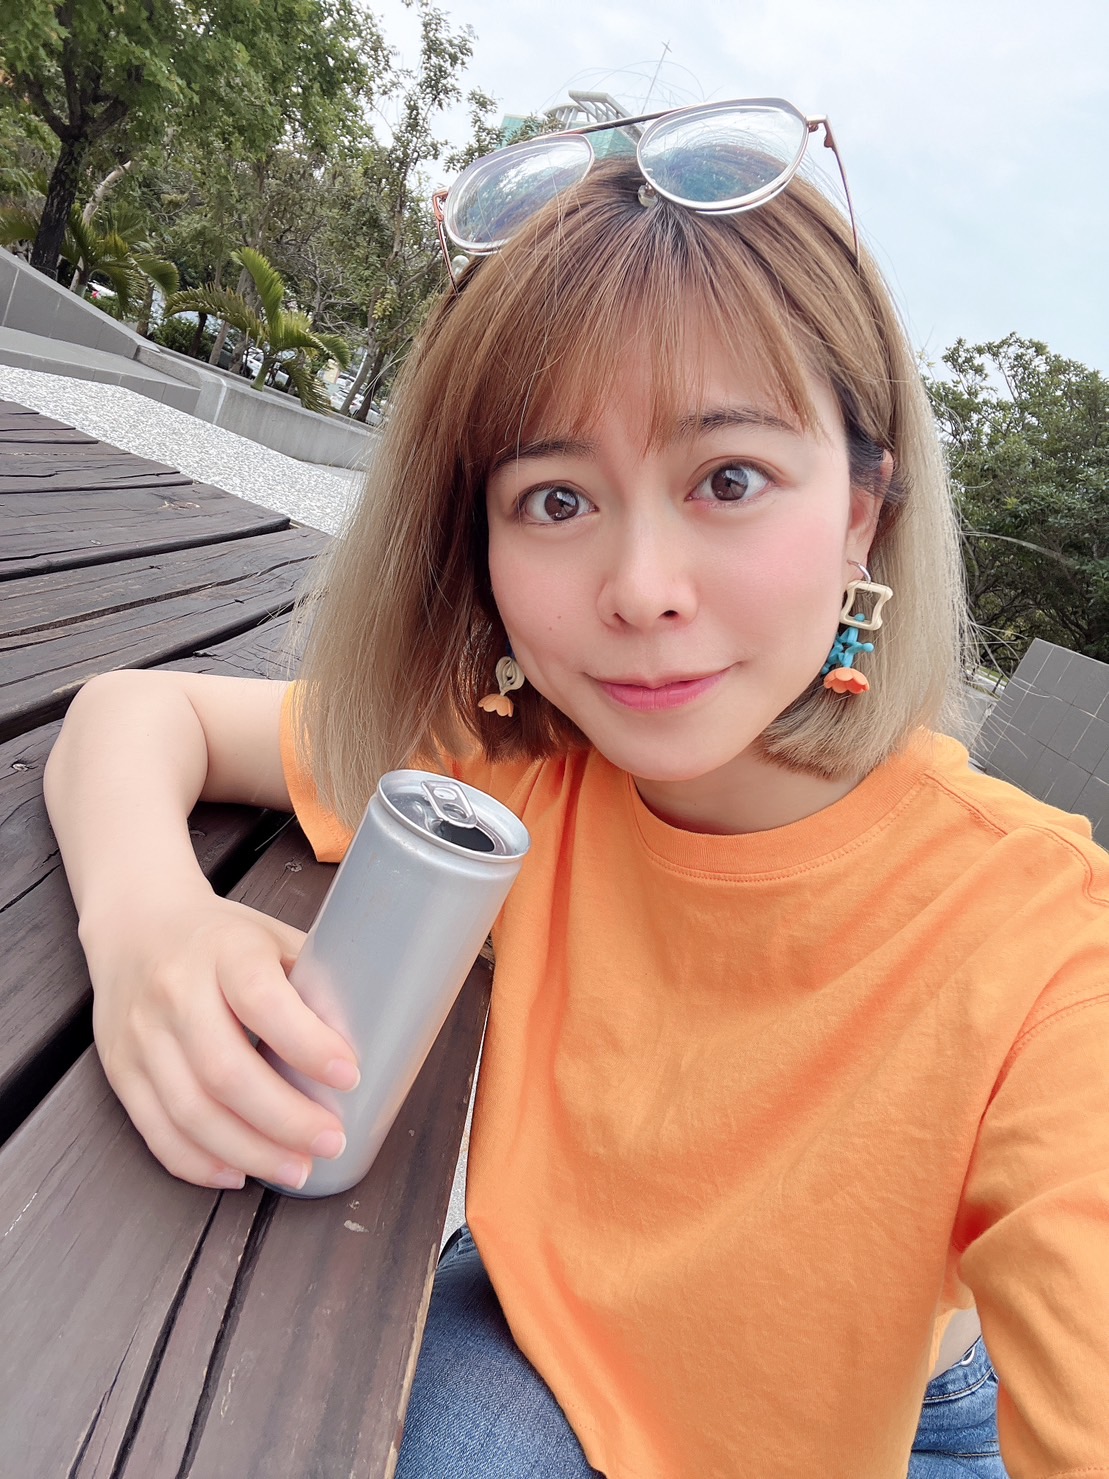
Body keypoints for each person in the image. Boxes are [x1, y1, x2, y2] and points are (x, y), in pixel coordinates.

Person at [43, 100, 1109, 1479]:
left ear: (860, 512)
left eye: (729, 477)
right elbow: (136, 716)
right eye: (555, 499)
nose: (640, 590)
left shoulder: (1046, 946)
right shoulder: (520, 765)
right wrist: (147, 930)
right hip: (549, 1332)